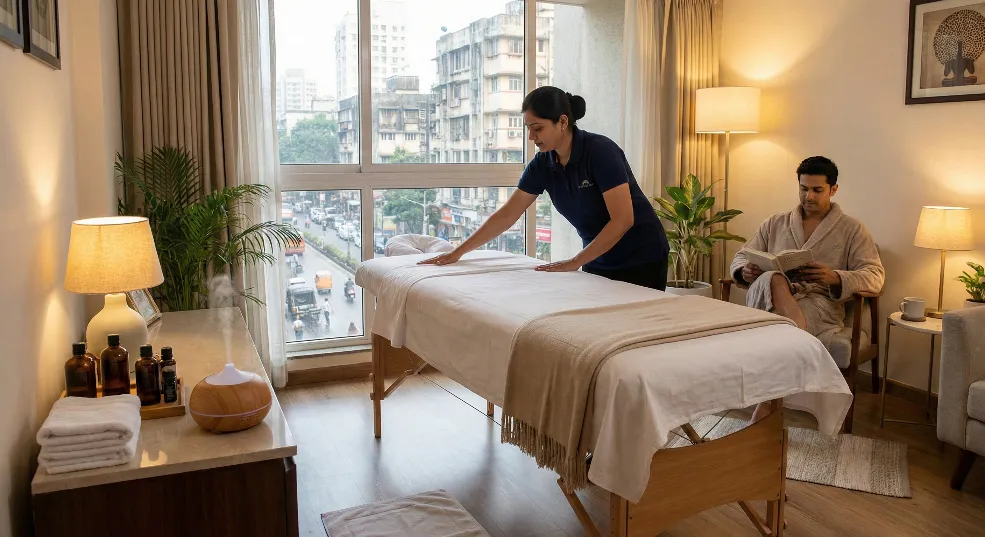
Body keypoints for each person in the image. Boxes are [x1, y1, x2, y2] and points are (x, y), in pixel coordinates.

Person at [418, 86, 670, 290]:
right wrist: (457, 252)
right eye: (528, 129)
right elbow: (507, 215)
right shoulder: (543, 164)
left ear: (562, 122)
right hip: (598, 257)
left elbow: (623, 219)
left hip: (641, 255)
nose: (531, 137)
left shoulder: (601, 152)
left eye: (537, 128)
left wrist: (575, 261)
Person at [729, 156, 885, 423]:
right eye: (803, 188)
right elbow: (741, 257)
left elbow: (874, 276)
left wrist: (835, 277)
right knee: (774, 278)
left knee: (776, 324)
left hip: (817, 305)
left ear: (833, 189)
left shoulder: (852, 230)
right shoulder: (775, 223)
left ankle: (768, 401)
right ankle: (797, 342)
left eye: (817, 190)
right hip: (765, 298)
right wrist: (745, 271)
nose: (808, 196)